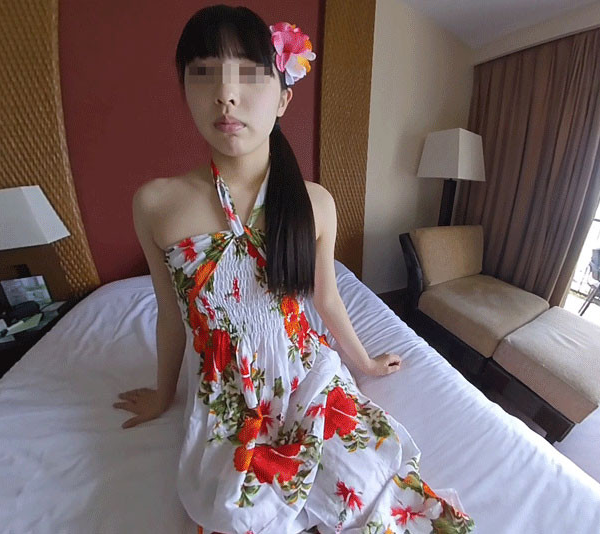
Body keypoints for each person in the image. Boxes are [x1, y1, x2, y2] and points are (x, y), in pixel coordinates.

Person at [114, 5, 475, 534]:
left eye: (250, 75)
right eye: (204, 73)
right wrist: (164, 393)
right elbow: (172, 317)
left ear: (283, 98)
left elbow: (326, 298)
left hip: (306, 373)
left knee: (370, 489)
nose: (226, 94)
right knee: (237, 513)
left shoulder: (315, 203)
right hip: (227, 393)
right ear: (185, 90)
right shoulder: (155, 204)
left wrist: (365, 363)